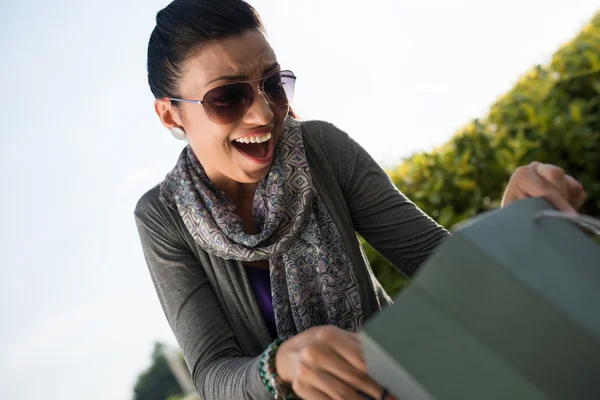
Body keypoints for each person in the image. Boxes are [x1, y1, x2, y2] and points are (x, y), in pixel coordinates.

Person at [134, 1, 587, 399]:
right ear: (169, 112)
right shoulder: (161, 217)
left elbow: (438, 262)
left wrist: (512, 225)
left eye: (272, 84)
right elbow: (213, 375)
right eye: (227, 97)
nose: (264, 112)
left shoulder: (322, 149)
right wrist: (280, 366)